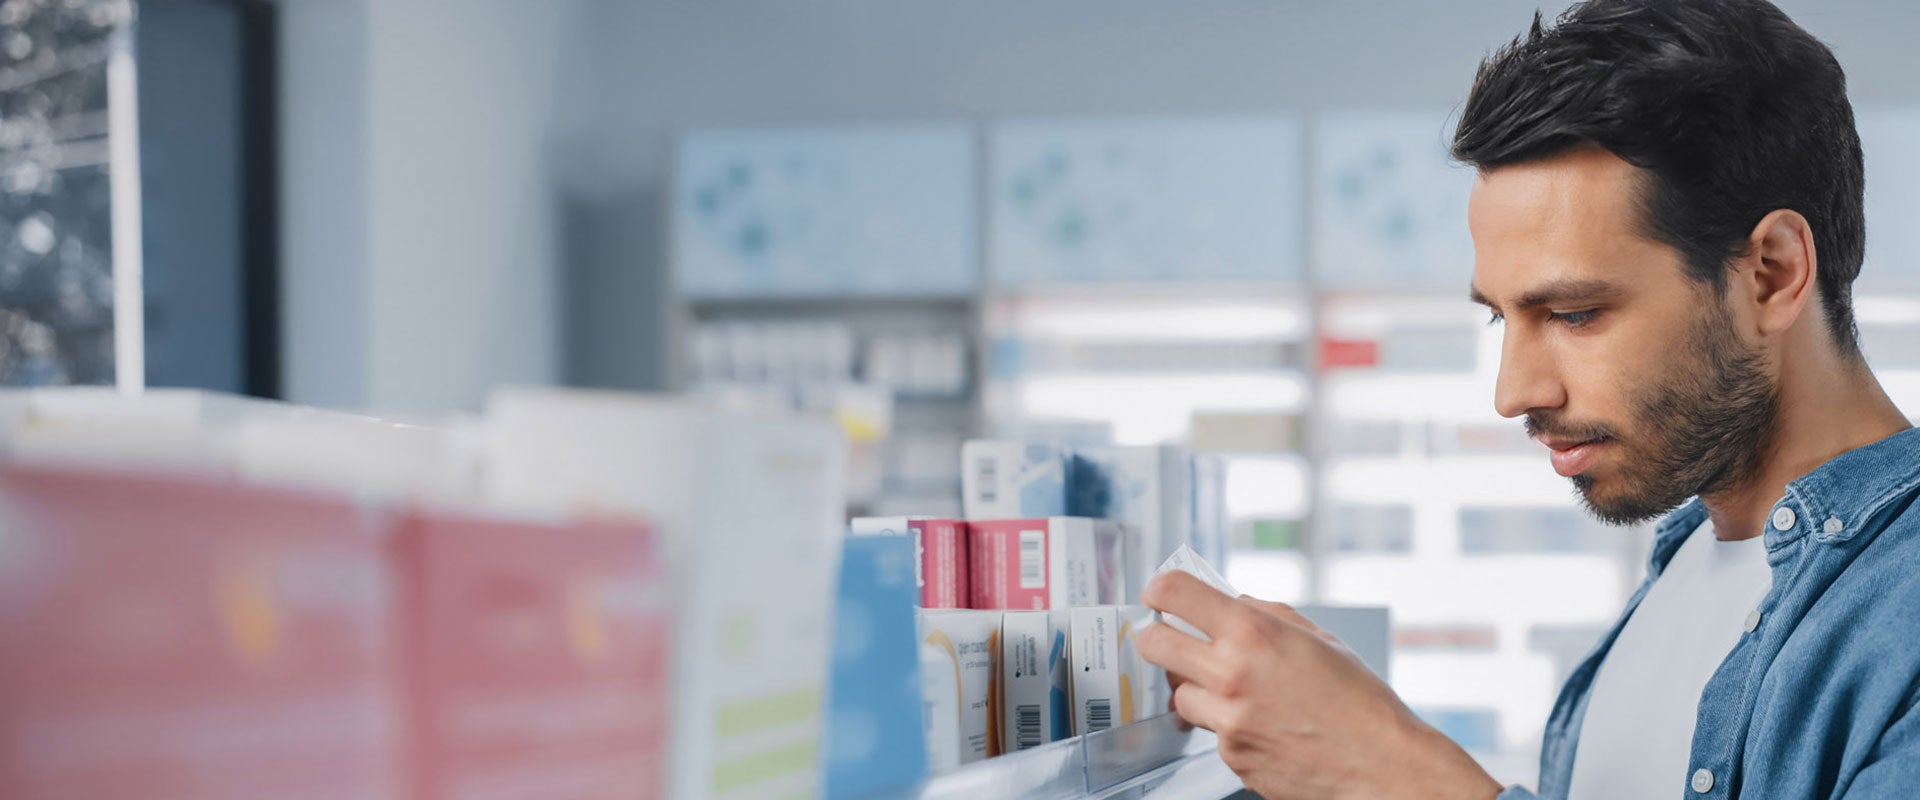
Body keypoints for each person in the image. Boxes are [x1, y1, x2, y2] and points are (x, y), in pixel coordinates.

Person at [1137, 1, 1920, 797]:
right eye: (1499, 316)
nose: (1514, 393)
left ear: (1772, 273)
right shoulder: (1682, 559)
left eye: (1574, 313)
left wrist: (1390, 772)